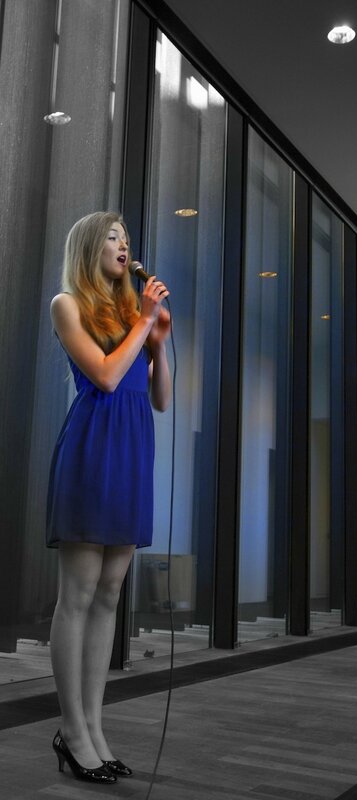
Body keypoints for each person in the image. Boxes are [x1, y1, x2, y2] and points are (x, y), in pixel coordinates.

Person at [46, 211, 171, 784]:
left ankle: (94, 728)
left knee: (111, 592)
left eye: (127, 238)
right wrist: (143, 325)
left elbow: (161, 399)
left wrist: (160, 343)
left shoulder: (131, 313)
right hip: (93, 447)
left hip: (133, 451)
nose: (124, 245)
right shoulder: (66, 304)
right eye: (114, 237)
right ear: (92, 246)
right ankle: (72, 731)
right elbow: (104, 376)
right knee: (78, 594)